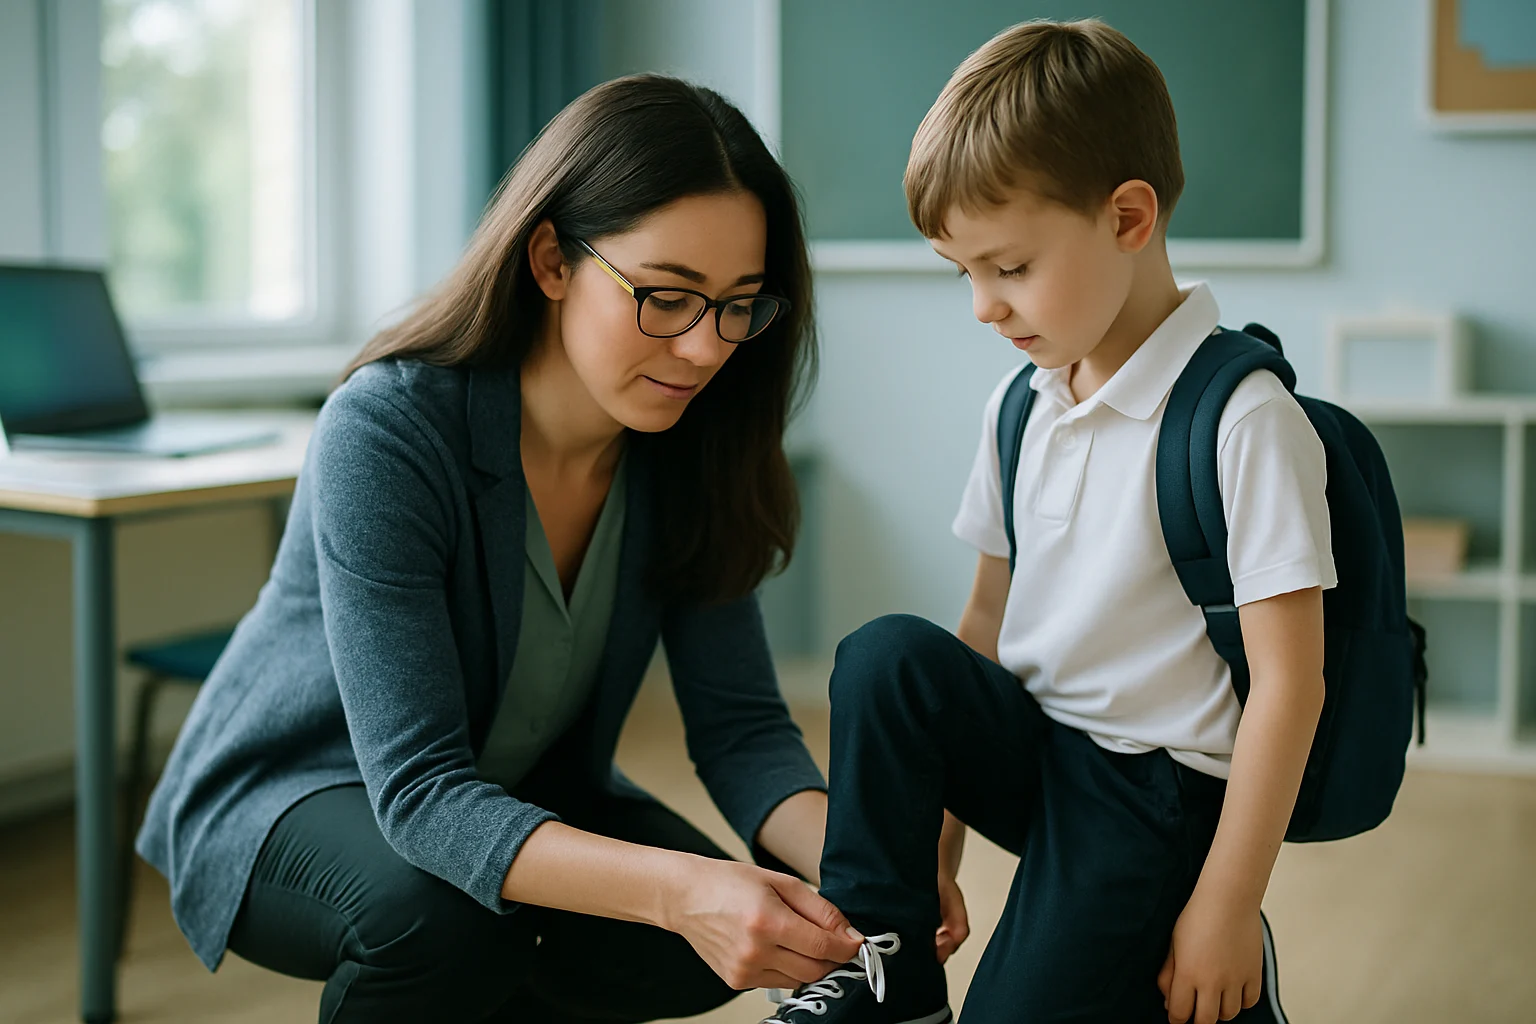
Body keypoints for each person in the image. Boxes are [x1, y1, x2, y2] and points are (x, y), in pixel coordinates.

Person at [138, 75, 875, 1023]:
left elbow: (740, 731)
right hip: (294, 793)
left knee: (694, 950)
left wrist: (865, 868)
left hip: (510, 788)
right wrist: (679, 891)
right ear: (551, 260)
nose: (703, 350)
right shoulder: (390, 429)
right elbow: (418, 793)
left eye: (738, 305)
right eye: (665, 297)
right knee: (443, 918)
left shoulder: (695, 443)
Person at [763, 20, 1334, 1024]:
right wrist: (927, 855)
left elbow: (1290, 685)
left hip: (1154, 799)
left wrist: (1227, 907)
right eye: (963, 273)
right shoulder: (1022, 404)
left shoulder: (1244, 421)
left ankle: (1235, 982)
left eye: (1010, 267)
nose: (984, 306)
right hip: (1041, 752)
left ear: (1127, 217)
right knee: (884, 657)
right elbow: (983, 622)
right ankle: (882, 976)